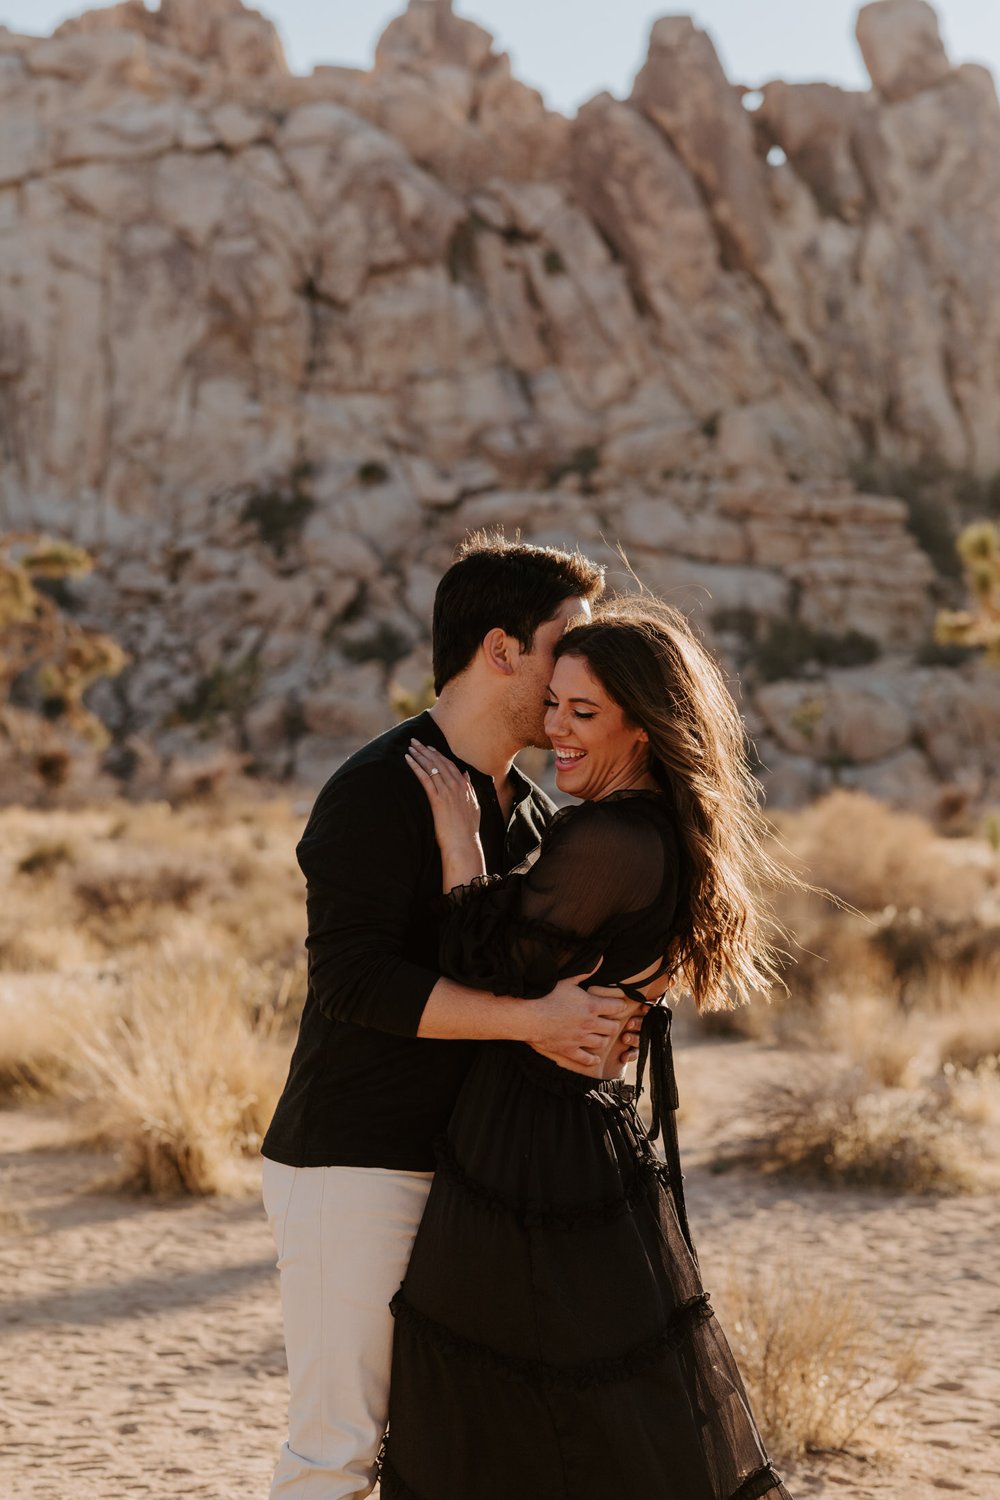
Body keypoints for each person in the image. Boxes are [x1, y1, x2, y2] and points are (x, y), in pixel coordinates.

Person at [260, 533, 647, 1499]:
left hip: (475, 1169)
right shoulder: (376, 791)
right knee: (336, 1454)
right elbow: (352, 982)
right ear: (503, 649)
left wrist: (600, 1021)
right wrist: (532, 1024)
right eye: (568, 641)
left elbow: (543, 983)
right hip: (355, 1163)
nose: (582, 665)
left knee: (460, 1450)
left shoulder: (532, 814)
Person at [382, 594, 794, 1500]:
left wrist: (459, 845)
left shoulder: (609, 835)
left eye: (584, 714)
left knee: (499, 1407)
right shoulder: (659, 833)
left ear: (643, 729)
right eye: (554, 704)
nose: (554, 731)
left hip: (530, 1149)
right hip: (580, 1135)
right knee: (584, 1416)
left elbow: (486, 964)